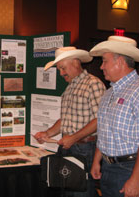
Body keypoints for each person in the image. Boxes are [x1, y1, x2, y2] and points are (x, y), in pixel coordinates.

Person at [89, 35, 139, 197]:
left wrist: (136, 179)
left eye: (105, 61)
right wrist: (97, 161)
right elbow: (104, 132)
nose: (101, 67)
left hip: (132, 168)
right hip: (109, 167)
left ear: (120, 61)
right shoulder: (109, 94)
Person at [34, 47, 106, 197]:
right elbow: (65, 119)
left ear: (75, 62)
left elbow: (101, 119)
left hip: (85, 149)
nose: (61, 73)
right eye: (59, 69)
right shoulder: (69, 88)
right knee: (67, 192)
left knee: (81, 192)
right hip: (69, 148)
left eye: (62, 68)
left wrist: (73, 138)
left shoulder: (93, 84)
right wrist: (47, 133)